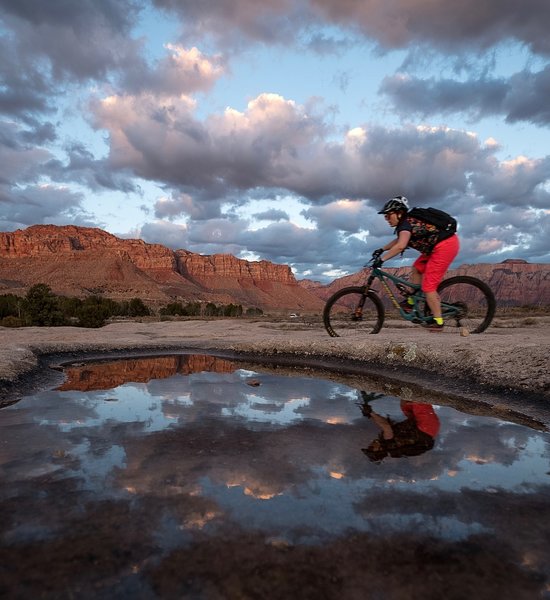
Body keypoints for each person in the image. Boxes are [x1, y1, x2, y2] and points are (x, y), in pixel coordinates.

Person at [373, 195, 460, 331]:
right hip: (434, 248)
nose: (386, 219)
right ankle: (411, 301)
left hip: (445, 246)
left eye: (388, 215)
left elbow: (401, 245)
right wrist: (382, 249)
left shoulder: (406, 224)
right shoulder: (406, 224)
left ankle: (438, 321)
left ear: (399, 213)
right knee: (417, 268)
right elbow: (399, 240)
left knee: (429, 287)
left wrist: (382, 259)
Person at [358, 391, 440, 462]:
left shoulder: (391, 446)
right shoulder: (388, 443)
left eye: (369, 447)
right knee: (417, 400)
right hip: (426, 427)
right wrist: (371, 413)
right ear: (379, 450)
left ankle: (408, 387)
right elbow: (386, 426)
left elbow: (385, 423)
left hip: (424, 427)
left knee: (405, 405)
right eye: (371, 448)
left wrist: (370, 415)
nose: (370, 446)